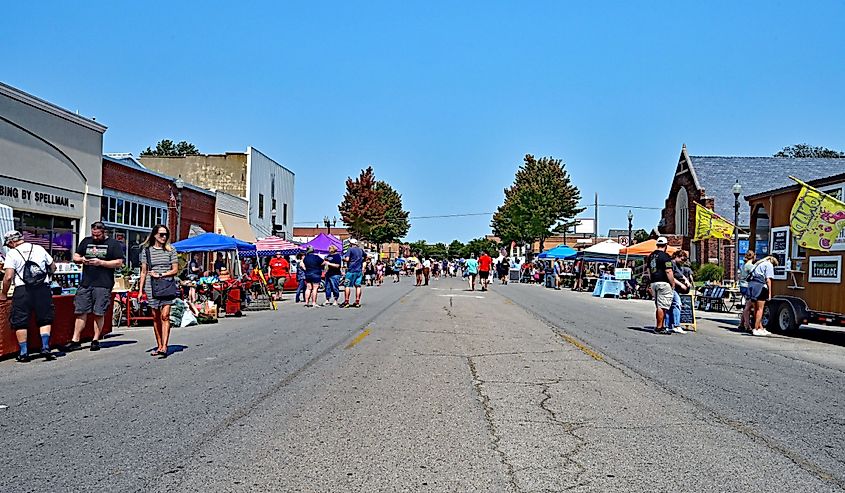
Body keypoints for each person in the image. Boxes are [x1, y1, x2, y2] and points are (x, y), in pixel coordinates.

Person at [67, 221, 124, 352]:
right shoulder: (86, 241)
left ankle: (95, 339)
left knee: (98, 312)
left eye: (98, 235)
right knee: (81, 310)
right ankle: (75, 340)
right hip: (86, 282)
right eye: (93, 234)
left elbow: (119, 262)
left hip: (103, 283)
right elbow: (76, 256)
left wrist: (101, 262)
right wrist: (82, 260)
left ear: (104, 233)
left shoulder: (113, 244)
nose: (95, 237)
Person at [1, 230, 57, 362]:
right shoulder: (39, 248)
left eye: (8, 245)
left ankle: (24, 352)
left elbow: (8, 277)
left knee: (20, 321)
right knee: (44, 319)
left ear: (12, 242)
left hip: (22, 290)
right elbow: (53, 267)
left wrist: (3, 293)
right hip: (42, 288)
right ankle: (45, 347)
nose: (8, 247)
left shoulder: (12, 254)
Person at [139, 224, 179, 358]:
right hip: (151, 286)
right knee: (155, 317)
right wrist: (140, 291)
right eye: (161, 234)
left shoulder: (171, 250)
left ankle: (165, 347)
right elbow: (143, 272)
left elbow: (175, 270)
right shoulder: (147, 251)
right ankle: (159, 344)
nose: (164, 237)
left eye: (166, 234)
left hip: (167, 284)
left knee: (165, 316)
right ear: (155, 235)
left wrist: (162, 275)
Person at [646, 237, 676, 334]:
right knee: (662, 306)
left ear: (657, 244)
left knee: (659, 305)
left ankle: (661, 325)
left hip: (654, 282)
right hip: (663, 283)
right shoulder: (665, 256)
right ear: (666, 245)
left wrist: (651, 282)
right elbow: (668, 270)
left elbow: (648, 271)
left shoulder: (651, 256)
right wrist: (672, 283)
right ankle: (659, 327)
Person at [748, 255, 778, 336]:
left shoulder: (758, 263)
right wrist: (770, 293)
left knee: (755, 309)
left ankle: (760, 328)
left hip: (751, 285)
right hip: (760, 287)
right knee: (760, 309)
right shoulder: (769, 265)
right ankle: (756, 328)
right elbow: (768, 280)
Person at [667, 250, 692, 334]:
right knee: (677, 304)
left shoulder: (677, 265)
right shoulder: (671, 263)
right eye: (682, 259)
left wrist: (685, 281)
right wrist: (681, 284)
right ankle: (676, 325)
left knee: (671, 306)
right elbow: (671, 276)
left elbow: (680, 275)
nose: (683, 261)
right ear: (677, 256)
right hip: (671, 286)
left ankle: (669, 325)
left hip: (674, 287)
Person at [340, 239, 366, 308]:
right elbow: (365, 257)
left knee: (347, 285)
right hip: (359, 270)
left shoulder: (350, 249)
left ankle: (346, 301)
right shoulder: (360, 250)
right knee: (358, 286)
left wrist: (343, 259)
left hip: (351, 270)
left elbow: (347, 259)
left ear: (351, 243)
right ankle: (357, 301)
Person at [738, 250, 757, 332]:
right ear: (753, 257)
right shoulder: (750, 266)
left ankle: (741, 324)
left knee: (746, 305)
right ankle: (747, 325)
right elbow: (756, 275)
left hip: (742, 286)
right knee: (748, 307)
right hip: (747, 287)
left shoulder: (744, 265)